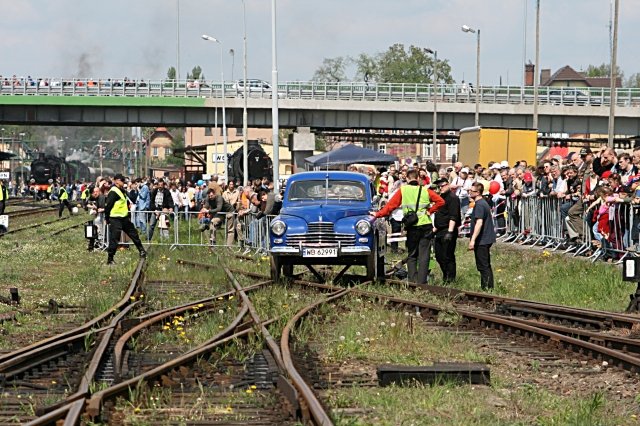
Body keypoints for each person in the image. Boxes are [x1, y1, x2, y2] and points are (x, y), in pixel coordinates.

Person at [372, 169, 445, 284]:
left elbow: (391, 206)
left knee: (412, 254)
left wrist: (377, 214)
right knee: (424, 254)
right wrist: (430, 211)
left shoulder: (403, 190)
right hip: (426, 225)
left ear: (407, 178)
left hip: (412, 227)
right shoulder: (426, 190)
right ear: (418, 178)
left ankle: (412, 281)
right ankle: (422, 282)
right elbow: (441, 201)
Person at [104, 174, 146, 265]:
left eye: (124, 181)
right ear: (116, 181)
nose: (123, 182)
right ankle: (110, 259)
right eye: (121, 180)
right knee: (114, 239)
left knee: (134, 234)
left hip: (124, 218)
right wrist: (107, 218)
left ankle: (142, 250)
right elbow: (108, 206)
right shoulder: (113, 191)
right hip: (115, 218)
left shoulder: (122, 190)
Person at [468, 182, 497, 290]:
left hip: (482, 239)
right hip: (485, 238)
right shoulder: (482, 203)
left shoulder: (480, 204)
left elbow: (479, 223)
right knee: (485, 264)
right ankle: (487, 287)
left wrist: (473, 240)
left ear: (478, 192)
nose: (469, 192)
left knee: (483, 265)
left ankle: (487, 288)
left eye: (472, 191)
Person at [433, 178, 461, 284]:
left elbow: (453, 216)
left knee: (448, 256)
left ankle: (450, 279)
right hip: (439, 230)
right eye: (439, 186)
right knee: (439, 256)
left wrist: (450, 231)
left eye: (443, 185)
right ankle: (446, 275)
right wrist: (434, 229)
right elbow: (440, 215)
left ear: (448, 185)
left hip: (448, 230)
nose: (440, 188)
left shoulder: (452, 198)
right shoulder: (441, 197)